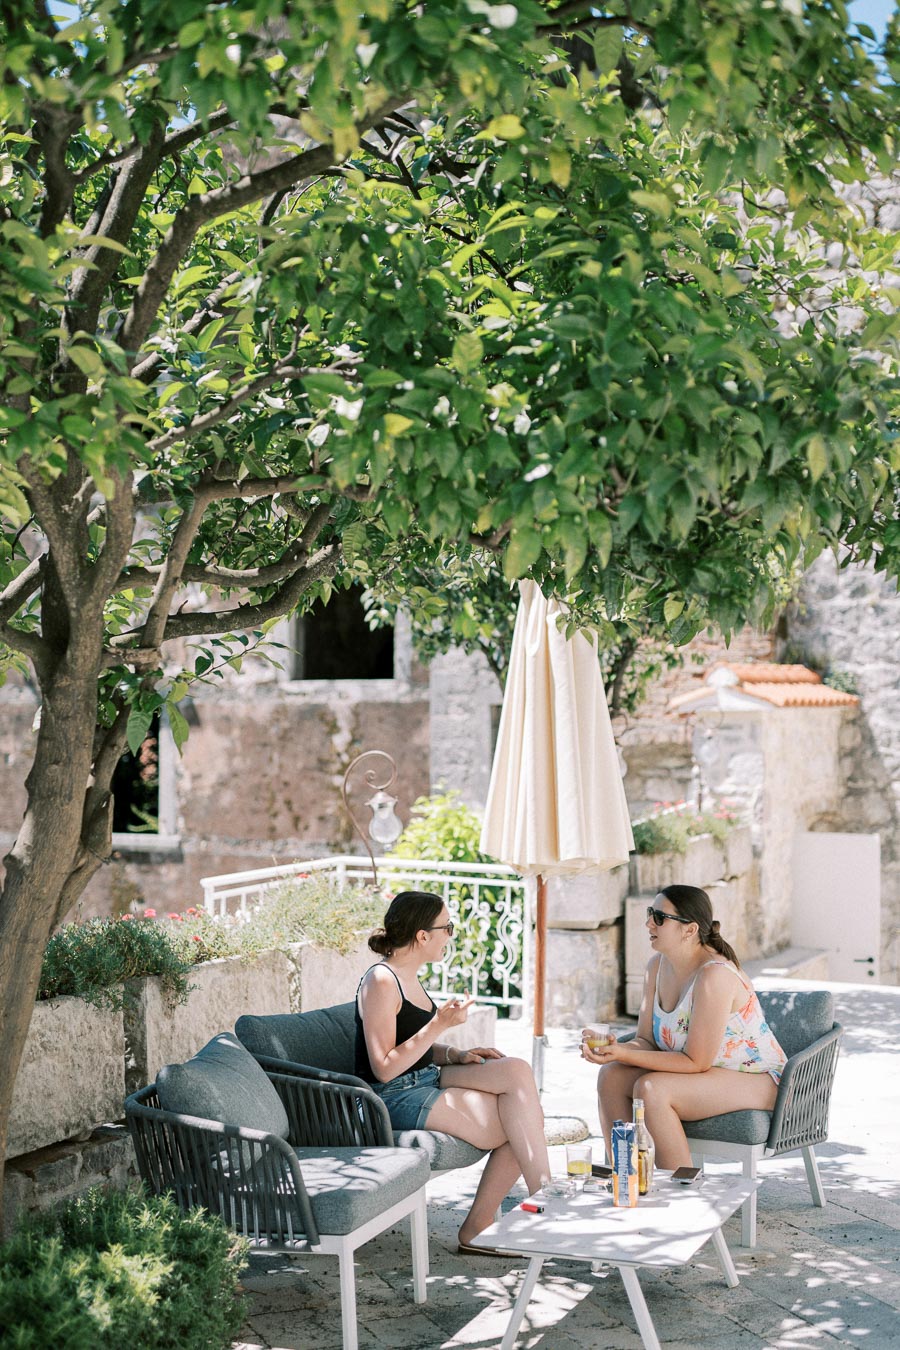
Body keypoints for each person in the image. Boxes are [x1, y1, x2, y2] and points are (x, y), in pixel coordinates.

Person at [355, 889, 550, 1252]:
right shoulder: (381, 981)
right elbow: (383, 1069)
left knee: (516, 1072)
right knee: (522, 1122)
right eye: (447, 928)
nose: (451, 935)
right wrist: (440, 1025)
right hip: (392, 1095)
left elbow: (412, 1045)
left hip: (423, 1076)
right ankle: (532, 1208)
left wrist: (455, 1054)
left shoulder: (407, 975)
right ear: (422, 936)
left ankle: (544, 1197)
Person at [582, 884, 786, 1168]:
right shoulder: (656, 966)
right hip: (709, 1073)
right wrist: (614, 1049)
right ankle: (626, 1177)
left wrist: (624, 1054)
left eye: (660, 917)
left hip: (759, 1079)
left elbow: (696, 1061)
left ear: (689, 930)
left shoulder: (714, 976)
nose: (648, 923)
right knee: (611, 1075)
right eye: (650, 913)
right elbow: (646, 1040)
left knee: (653, 1088)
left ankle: (681, 1197)